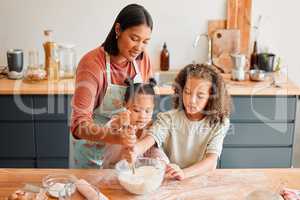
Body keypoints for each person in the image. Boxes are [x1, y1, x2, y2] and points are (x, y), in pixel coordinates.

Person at [70, 4, 153, 168]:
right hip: (92, 157)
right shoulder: (92, 65)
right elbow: (79, 126)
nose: (139, 48)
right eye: (134, 39)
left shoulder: (143, 60)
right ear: (118, 30)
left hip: (124, 157)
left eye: (145, 42)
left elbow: (148, 107)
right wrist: (115, 137)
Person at [125, 64, 231, 180]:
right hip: (172, 178)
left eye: (200, 96)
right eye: (187, 92)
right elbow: (152, 137)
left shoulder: (219, 123)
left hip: (200, 178)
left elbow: (211, 160)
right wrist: (135, 150)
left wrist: (184, 173)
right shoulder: (168, 118)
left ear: (211, 97)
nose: (191, 100)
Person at [101, 78, 169, 168]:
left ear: (153, 108)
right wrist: (119, 123)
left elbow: (158, 154)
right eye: (136, 110)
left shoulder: (150, 130)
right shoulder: (117, 123)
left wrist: (163, 164)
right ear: (125, 105)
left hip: (135, 177)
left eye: (148, 111)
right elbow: (105, 133)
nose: (142, 116)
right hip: (110, 173)